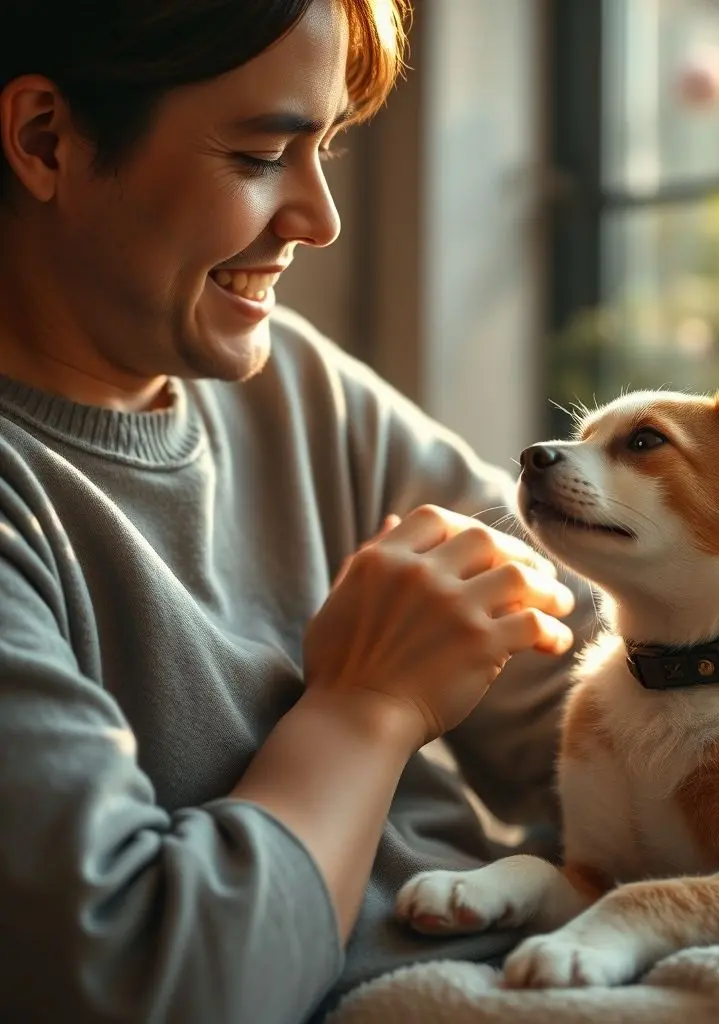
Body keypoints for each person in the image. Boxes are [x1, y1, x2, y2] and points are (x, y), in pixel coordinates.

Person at [0, 2, 596, 1021]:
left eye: (325, 146)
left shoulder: (302, 393)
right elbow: (155, 982)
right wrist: (368, 708)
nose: (319, 217)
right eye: (260, 154)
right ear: (46, 139)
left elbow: (635, 710)